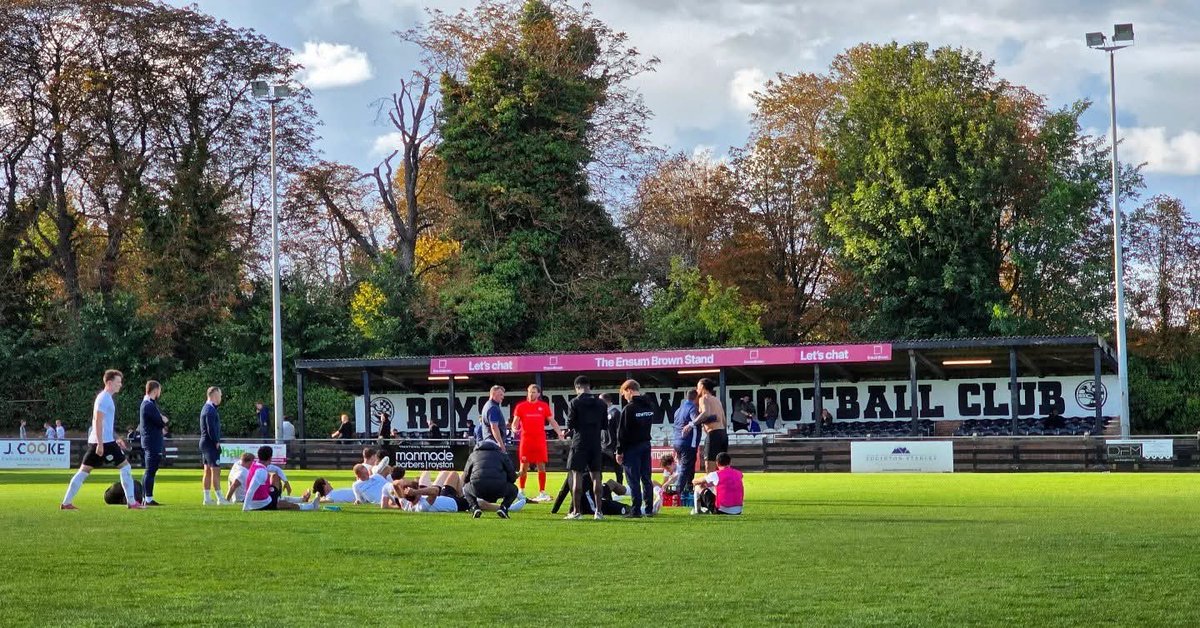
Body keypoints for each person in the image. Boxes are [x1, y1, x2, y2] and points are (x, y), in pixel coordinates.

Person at [60, 370, 144, 510]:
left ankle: (66, 503)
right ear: (109, 383)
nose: (120, 385)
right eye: (118, 382)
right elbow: (98, 421)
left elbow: (105, 424)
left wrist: (116, 438)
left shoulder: (106, 398)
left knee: (83, 471)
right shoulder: (104, 398)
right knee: (125, 467)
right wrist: (100, 443)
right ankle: (132, 502)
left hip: (104, 441)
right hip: (103, 443)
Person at [564, 376, 607, 520]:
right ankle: (599, 512)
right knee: (596, 477)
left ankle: (577, 512)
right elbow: (604, 426)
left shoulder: (575, 402)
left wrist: (568, 431)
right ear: (589, 386)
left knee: (577, 476)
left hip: (579, 443)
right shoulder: (601, 404)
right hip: (595, 443)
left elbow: (570, 424)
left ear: (577, 387)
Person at [513, 384, 565, 502]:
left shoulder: (543, 406)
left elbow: (552, 421)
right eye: (529, 392)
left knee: (541, 466)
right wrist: (513, 428)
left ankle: (542, 491)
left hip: (539, 440)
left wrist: (559, 433)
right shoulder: (521, 406)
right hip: (526, 440)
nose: (531, 394)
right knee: (523, 466)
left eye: (534, 392)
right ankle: (521, 491)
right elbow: (515, 422)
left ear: (538, 394)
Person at [616, 379, 655, 518]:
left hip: (632, 447)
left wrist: (619, 451)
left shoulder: (629, 408)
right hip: (646, 444)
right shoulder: (649, 406)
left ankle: (636, 510)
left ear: (629, 390)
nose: (624, 398)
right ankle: (649, 508)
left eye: (624, 394)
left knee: (633, 480)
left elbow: (622, 432)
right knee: (646, 478)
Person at [242, 446, 318, 511]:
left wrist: (286, 482)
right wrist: (245, 508)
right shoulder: (261, 471)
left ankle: (301, 499)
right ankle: (311, 506)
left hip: (260, 499)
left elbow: (277, 469)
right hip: (261, 504)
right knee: (287, 505)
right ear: (270, 458)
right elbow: (251, 489)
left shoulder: (257, 465)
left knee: (275, 477)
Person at [461, 439, 518, 518]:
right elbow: (512, 476)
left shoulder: (473, 455)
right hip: (498, 488)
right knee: (514, 490)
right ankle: (504, 507)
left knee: (466, 488)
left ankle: (474, 507)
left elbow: (465, 476)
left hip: (478, 488)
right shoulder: (502, 455)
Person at [683, 378, 728, 473]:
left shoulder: (703, 398)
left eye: (698, 386)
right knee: (722, 466)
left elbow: (706, 413)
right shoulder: (717, 400)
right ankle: (723, 486)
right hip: (723, 434)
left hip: (714, 434)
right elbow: (723, 419)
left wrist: (691, 424)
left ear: (702, 387)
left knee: (709, 466)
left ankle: (710, 488)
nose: (697, 389)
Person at [138, 380, 169, 506]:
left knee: (150, 470)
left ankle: (146, 496)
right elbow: (160, 422)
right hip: (152, 441)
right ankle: (148, 498)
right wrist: (164, 420)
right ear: (155, 390)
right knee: (150, 470)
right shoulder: (148, 405)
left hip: (151, 440)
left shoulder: (149, 404)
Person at [385, 471, 472, 513]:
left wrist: (404, 486)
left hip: (445, 497)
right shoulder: (420, 507)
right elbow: (435, 491)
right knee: (482, 503)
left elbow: (395, 484)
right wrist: (416, 491)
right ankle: (464, 496)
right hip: (455, 504)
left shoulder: (405, 504)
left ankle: (462, 494)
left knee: (454, 474)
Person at [199, 386, 228, 506]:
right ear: (215, 395)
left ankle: (207, 498)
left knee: (207, 471)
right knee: (216, 470)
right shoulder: (210, 410)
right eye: (220, 395)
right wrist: (216, 442)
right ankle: (220, 498)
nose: (221, 397)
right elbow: (211, 429)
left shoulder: (206, 408)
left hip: (204, 443)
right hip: (210, 444)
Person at [225, 452, 292, 503]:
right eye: (253, 461)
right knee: (273, 477)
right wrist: (227, 500)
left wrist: (286, 482)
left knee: (274, 476)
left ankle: (277, 498)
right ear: (248, 462)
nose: (254, 463)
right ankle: (277, 499)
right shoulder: (242, 473)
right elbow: (234, 485)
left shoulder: (237, 464)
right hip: (245, 499)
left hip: (245, 497)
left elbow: (277, 469)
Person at [673, 389, 701, 497]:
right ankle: (677, 494)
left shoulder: (678, 410)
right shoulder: (692, 408)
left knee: (688, 467)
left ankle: (688, 489)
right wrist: (710, 417)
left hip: (677, 442)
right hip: (688, 443)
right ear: (696, 398)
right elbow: (696, 420)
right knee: (685, 469)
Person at [599, 393, 624, 484]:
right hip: (602, 447)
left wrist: (619, 447)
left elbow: (619, 431)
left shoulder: (615, 413)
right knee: (598, 469)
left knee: (618, 470)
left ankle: (619, 488)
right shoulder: (601, 413)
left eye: (600, 400)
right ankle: (598, 489)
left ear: (605, 401)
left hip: (613, 447)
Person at [479, 386, 508, 452]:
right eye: (500, 395)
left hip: (490, 442)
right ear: (493, 393)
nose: (502, 397)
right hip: (494, 444)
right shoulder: (493, 407)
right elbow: (494, 427)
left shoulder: (488, 405)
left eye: (503, 395)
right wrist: (501, 444)